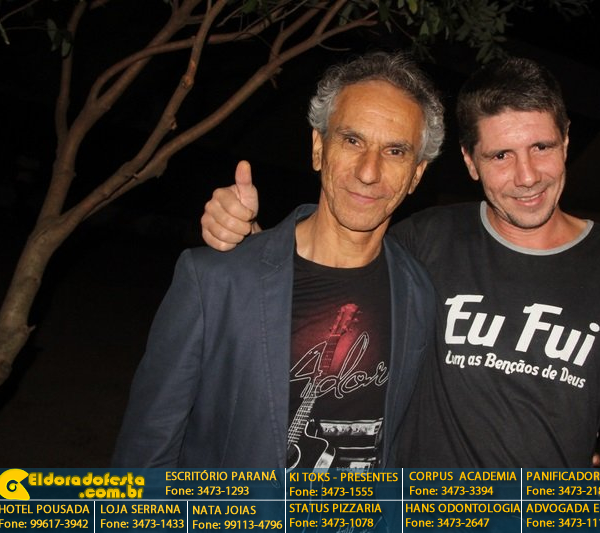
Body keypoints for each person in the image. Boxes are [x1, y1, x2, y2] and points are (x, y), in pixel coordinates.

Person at [200, 57, 600, 467]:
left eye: (541, 148)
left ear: (566, 142)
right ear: (469, 162)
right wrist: (250, 240)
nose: (527, 177)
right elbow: (317, 283)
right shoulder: (426, 240)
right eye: (500, 155)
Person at [112, 52, 443, 468]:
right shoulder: (217, 280)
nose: (368, 172)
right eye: (352, 140)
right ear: (319, 148)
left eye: (395, 151)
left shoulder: (418, 293)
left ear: (416, 174)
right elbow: (147, 450)